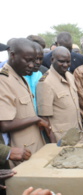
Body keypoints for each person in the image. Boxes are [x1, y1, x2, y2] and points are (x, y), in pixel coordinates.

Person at [0, 38, 51, 166]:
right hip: (20, 153)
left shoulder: (19, 76)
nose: (32, 65)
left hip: (32, 148)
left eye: (33, 61)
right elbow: (5, 124)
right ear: (12, 55)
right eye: (27, 60)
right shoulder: (3, 81)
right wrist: (36, 119)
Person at [37, 46, 83, 143]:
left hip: (76, 133)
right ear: (52, 60)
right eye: (61, 61)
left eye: (68, 61)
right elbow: (44, 118)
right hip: (61, 138)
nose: (65, 65)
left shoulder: (70, 76)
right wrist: (53, 142)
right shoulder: (46, 82)